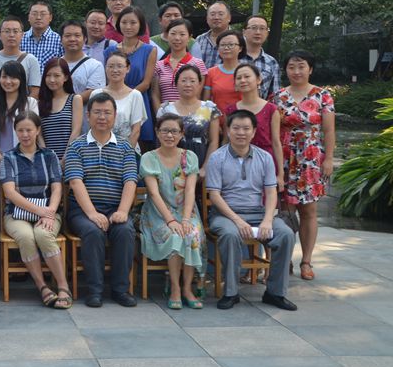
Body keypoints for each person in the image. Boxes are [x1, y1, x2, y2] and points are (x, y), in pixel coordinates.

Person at [207, 109, 297, 310]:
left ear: (254, 131)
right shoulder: (216, 158)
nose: (241, 132)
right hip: (225, 215)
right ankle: (231, 293)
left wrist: (267, 220)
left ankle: (275, 293)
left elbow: (271, 192)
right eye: (236, 128)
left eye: (246, 128)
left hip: (258, 213)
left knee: (286, 234)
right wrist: (238, 221)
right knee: (230, 235)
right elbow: (214, 196)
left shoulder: (265, 157)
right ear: (228, 130)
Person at [64, 93, 139, 307]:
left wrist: (122, 211)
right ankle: (94, 291)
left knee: (125, 230)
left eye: (107, 112)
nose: (102, 117)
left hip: (115, 208)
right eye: (97, 112)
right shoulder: (77, 146)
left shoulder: (125, 147)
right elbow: (75, 182)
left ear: (115, 116)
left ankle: (120, 290)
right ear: (88, 116)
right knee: (93, 231)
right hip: (82, 211)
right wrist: (92, 214)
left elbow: (130, 182)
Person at [275, 50, 335, 281]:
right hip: (285, 157)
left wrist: (328, 159)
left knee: (308, 211)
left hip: (310, 158)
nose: (296, 71)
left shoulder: (323, 96)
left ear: (310, 69)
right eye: (291, 67)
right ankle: (285, 259)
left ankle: (306, 261)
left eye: (301, 66)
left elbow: (329, 130)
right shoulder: (278, 97)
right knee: (286, 211)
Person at [0, 111, 71, 308]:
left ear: (38, 130)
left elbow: (57, 188)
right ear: (16, 131)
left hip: (49, 211)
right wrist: (41, 211)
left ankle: (63, 286)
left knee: (43, 234)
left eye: (29, 130)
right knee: (26, 237)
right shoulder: (8, 157)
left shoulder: (49, 155)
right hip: (16, 214)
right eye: (20, 130)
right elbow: (9, 192)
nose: (25, 135)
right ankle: (42, 287)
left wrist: (50, 212)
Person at [140, 114, 205, 309]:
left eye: (174, 131)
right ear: (157, 133)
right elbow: (153, 193)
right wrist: (171, 221)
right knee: (175, 236)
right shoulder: (149, 158)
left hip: (186, 211)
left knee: (191, 234)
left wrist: (185, 219)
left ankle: (187, 288)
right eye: (165, 131)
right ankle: (175, 288)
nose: (170, 135)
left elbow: (190, 190)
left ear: (182, 134)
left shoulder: (189, 157)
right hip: (158, 213)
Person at [223, 63, 283, 186]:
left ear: (258, 79)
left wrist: (280, 174)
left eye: (247, 76)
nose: (243, 80)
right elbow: (226, 140)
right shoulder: (230, 110)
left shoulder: (271, 109)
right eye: (239, 78)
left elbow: (276, 142)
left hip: (264, 163)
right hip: (236, 162)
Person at [157, 64, 220, 177]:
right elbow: (160, 139)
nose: (188, 84)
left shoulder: (209, 108)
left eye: (192, 81)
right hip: (171, 164)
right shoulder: (165, 109)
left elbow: (214, 141)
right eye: (183, 80)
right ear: (176, 84)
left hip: (201, 162)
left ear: (200, 84)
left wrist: (205, 167)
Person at [106, 7, 157, 144]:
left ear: (140, 25)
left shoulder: (149, 50)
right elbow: (107, 79)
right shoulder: (110, 50)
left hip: (138, 98)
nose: (128, 27)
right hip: (113, 100)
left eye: (133, 23)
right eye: (124, 22)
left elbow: (146, 83)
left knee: (139, 142)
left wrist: (126, 97)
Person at [152, 18, 207, 116]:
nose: (177, 38)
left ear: (189, 38)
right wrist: (160, 117)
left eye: (182, 34)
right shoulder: (159, 65)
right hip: (166, 118)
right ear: (167, 36)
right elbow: (155, 95)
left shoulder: (198, 64)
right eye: (173, 34)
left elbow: (198, 95)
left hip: (190, 117)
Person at [94, 51, 147, 150]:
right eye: (111, 66)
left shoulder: (135, 95)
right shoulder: (96, 94)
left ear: (128, 68)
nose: (115, 70)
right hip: (100, 148)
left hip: (127, 149)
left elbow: (136, 131)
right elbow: (93, 125)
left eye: (119, 66)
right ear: (105, 68)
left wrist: (126, 154)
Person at [0, 60, 40, 162]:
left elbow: (35, 132)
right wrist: (1, 160)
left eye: (13, 77)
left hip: (26, 160)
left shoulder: (31, 103)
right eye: (4, 77)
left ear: (21, 80)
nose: (8, 81)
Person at [0, 15, 42, 96]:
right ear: (0, 35)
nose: (11, 35)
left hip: (24, 104)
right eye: (7, 31)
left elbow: (35, 92)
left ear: (22, 35)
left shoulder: (31, 60)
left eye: (15, 31)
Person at [38, 58, 82, 161]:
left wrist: (65, 158)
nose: (52, 80)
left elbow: (76, 131)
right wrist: (47, 157)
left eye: (57, 75)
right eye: (48, 75)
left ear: (65, 77)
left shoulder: (75, 99)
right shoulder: (40, 103)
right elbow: (39, 134)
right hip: (47, 160)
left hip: (70, 158)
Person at [60, 20, 105, 105]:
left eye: (77, 35)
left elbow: (94, 92)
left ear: (85, 39)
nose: (72, 39)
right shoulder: (54, 65)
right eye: (68, 36)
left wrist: (62, 103)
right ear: (61, 39)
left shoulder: (95, 66)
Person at [240, 14, 281, 100]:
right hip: (234, 107)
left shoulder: (272, 62)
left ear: (267, 33)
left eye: (262, 28)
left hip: (261, 107)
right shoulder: (234, 57)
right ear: (244, 32)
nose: (258, 32)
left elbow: (274, 95)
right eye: (254, 28)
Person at [203, 29, 245, 112]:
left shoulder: (246, 72)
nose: (226, 48)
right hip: (217, 118)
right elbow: (206, 102)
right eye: (222, 45)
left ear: (240, 48)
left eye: (231, 45)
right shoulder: (211, 72)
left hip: (241, 117)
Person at [20, 0, 64, 67]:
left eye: (43, 14)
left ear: (50, 17)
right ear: (28, 17)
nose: (38, 17)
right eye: (34, 14)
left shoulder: (59, 40)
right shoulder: (20, 39)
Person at [191, 0, 232, 69]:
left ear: (229, 18)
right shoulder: (199, 40)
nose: (216, 17)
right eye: (212, 14)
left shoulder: (239, 40)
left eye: (220, 14)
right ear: (207, 19)